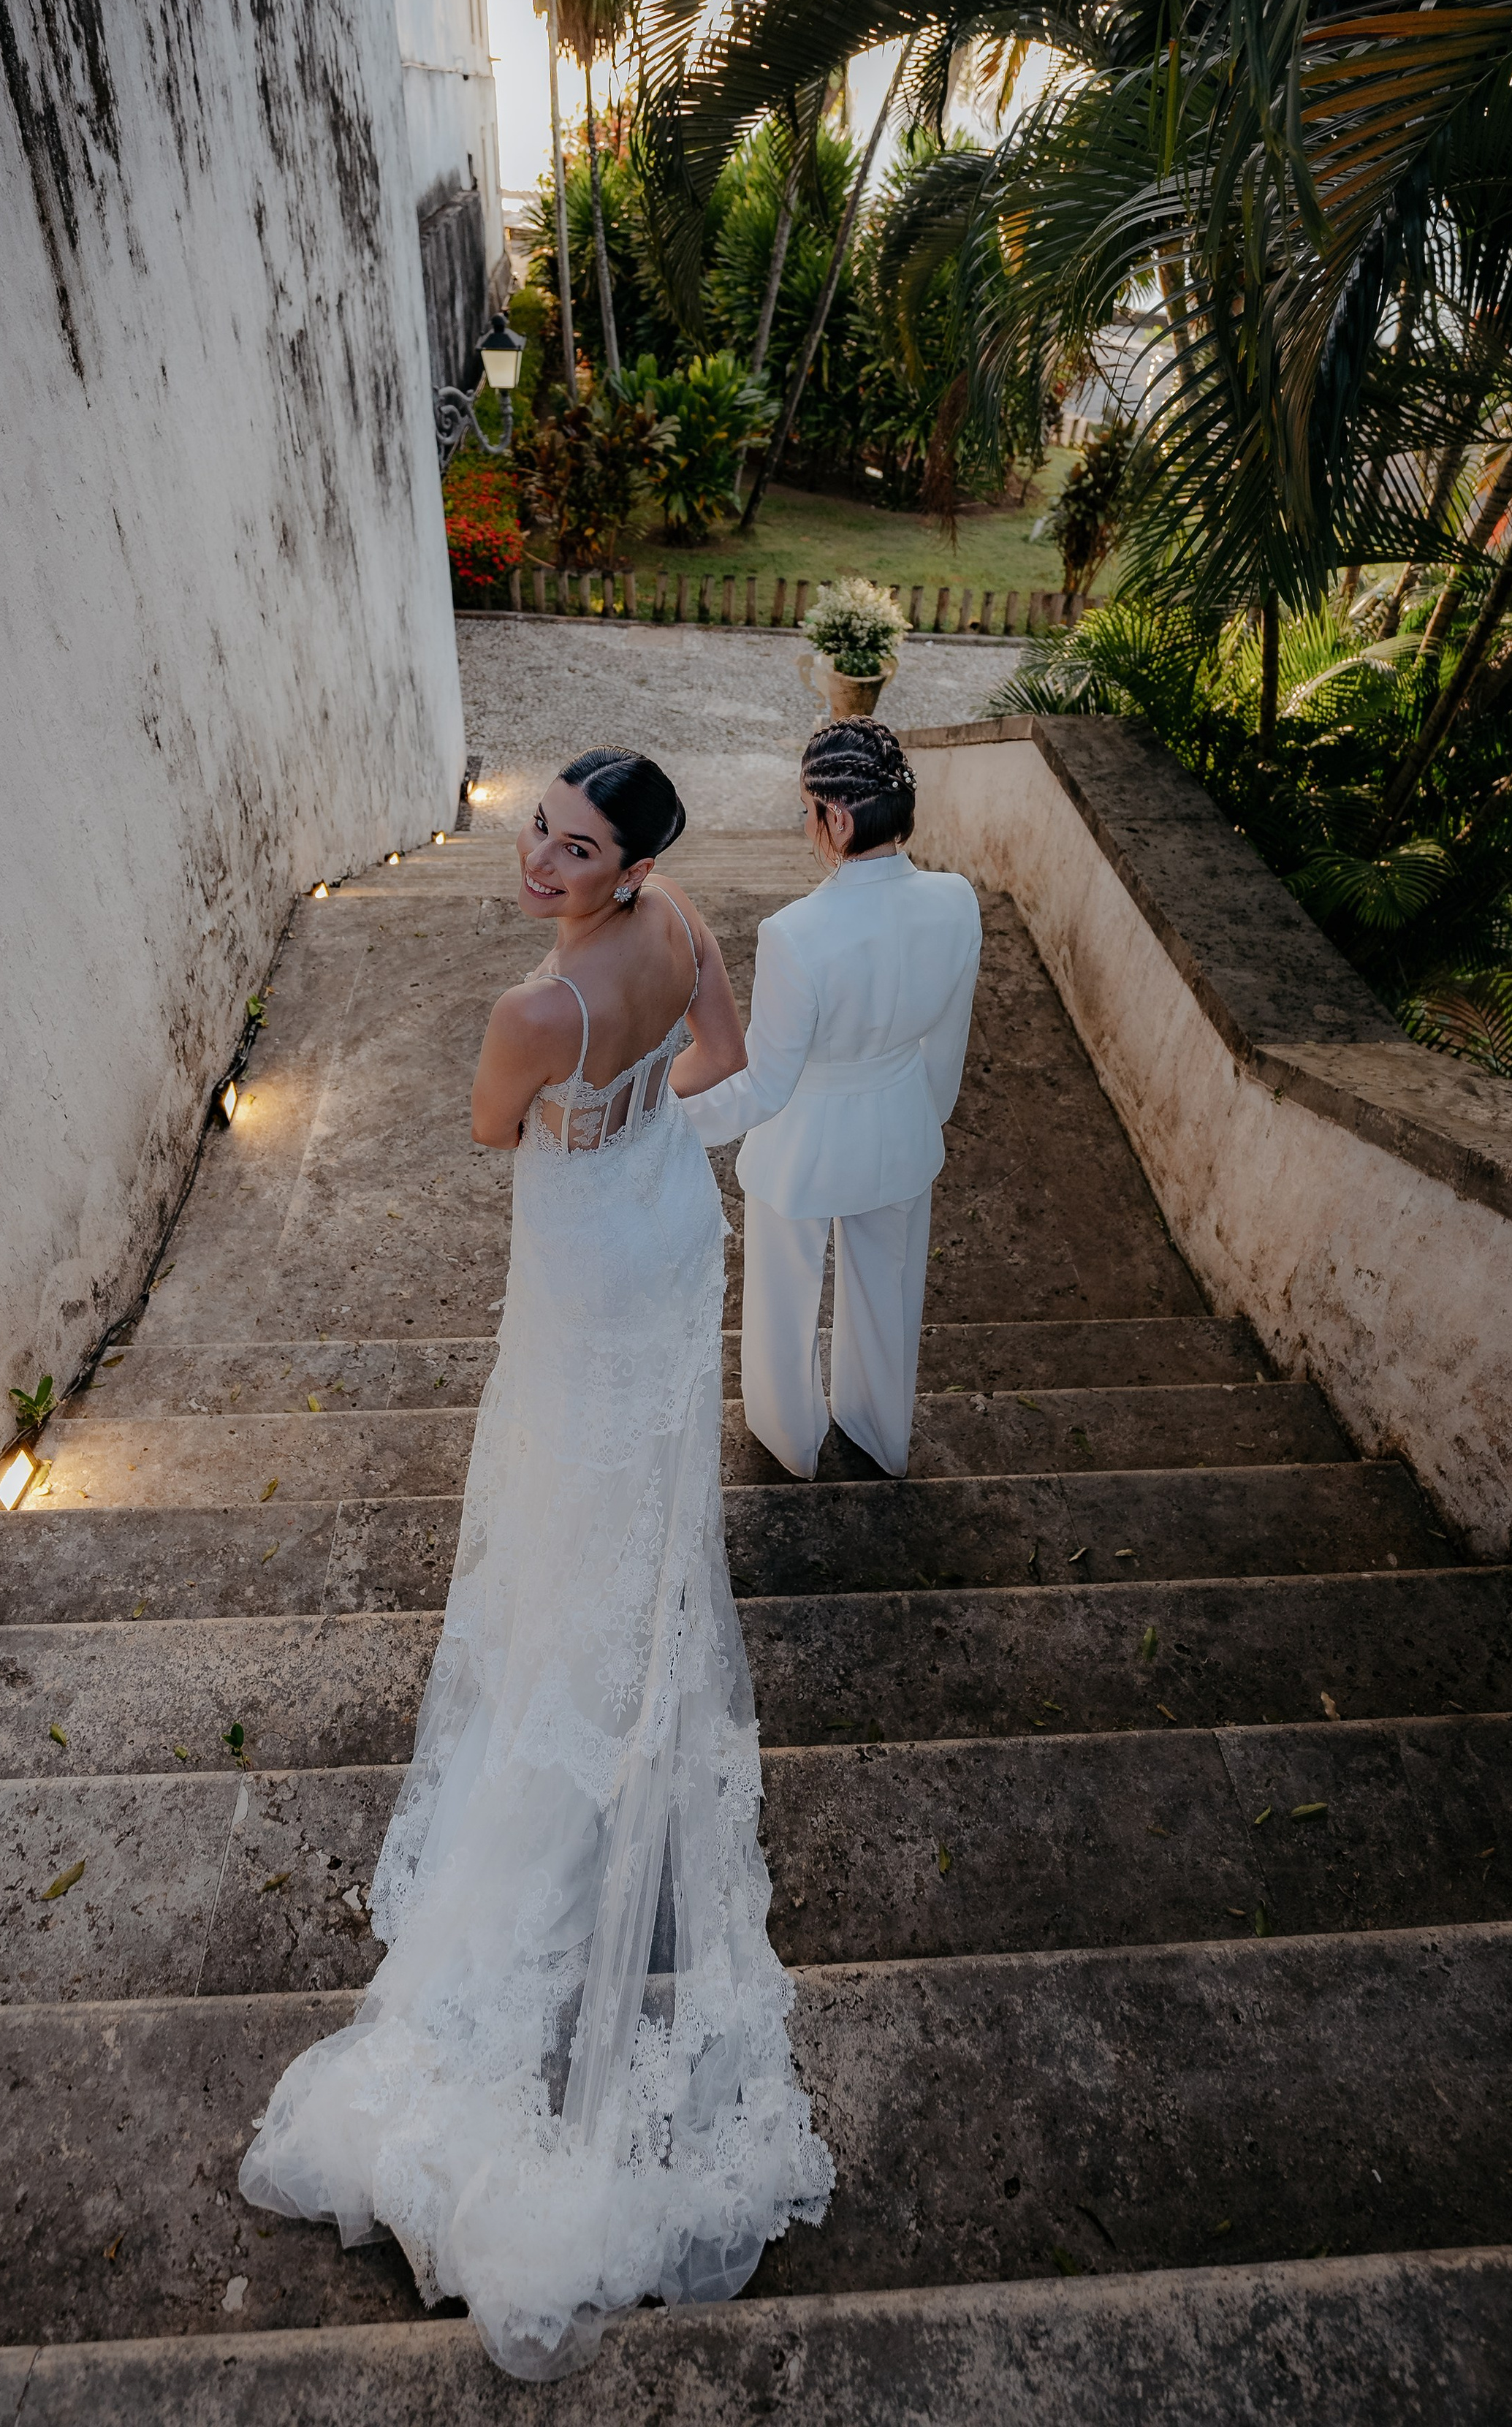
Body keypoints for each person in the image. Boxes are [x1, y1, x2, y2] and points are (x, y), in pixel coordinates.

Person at [239, 750, 833, 2380]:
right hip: (664, 1225)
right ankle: (606, 1668)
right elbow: (716, 1063)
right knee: (632, 1497)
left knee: (562, 1480)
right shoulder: (685, 917)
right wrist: (644, 1114)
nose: (538, 861)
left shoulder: (527, 1011)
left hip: (585, 1247)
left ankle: (561, 1718)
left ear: (624, 860)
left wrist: (590, 1100)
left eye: (572, 846)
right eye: (535, 834)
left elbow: (497, 1134)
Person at [674, 720, 982, 1480]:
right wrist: (922, 1119)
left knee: (783, 1301)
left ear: (836, 818)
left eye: (807, 811)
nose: (805, 826)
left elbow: (767, 1082)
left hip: (804, 1143)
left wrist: (673, 1122)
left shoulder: (795, 934)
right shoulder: (956, 901)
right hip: (902, 1127)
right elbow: (946, 1043)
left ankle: (792, 1439)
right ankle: (880, 1431)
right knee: (888, 1295)